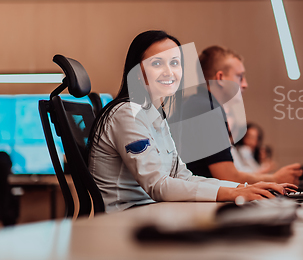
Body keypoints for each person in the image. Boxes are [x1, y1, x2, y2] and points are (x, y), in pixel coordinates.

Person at [88, 31, 289, 213]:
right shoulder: (127, 114)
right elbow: (158, 186)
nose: (169, 71)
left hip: (148, 211)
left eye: (175, 63)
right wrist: (231, 194)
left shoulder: (155, 115)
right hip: (124, 219)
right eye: (157, 63)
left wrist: (241, 188)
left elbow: (181, 175)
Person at [181, 46, 303, 184]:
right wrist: (275, 179)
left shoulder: (196, 104)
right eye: (240, 76)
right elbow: (228, 176)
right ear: (220, 78)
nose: (245, 84)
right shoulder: (207, 109)